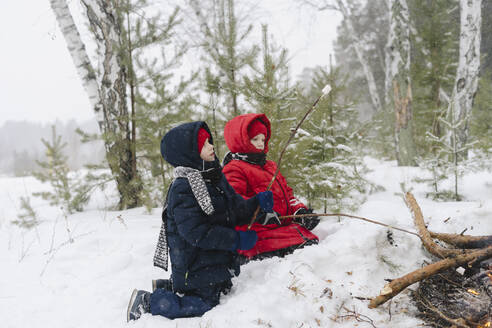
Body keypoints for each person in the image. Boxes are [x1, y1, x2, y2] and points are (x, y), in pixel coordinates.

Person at [126, 121, 274, 321]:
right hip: (195, 265)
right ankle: (147, 302)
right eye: (204, 144)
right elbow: (197, 232)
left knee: (223, 289)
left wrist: (256, 203)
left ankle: (169, 286)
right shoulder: (183, 188)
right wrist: (235, 239)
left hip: (213, 262)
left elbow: (235, 209)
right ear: (189, 153)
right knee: (204, 304)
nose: (212, 146)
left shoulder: (213, 177)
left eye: (209, 142)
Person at [222, 113, 320, 262]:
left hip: (279, 228)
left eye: (263, 138)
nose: (261, 143)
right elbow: (234, 204)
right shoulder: (234, 169)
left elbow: (287, 195)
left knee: (307, 240)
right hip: (256, 233)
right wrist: (260, 214)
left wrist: (299, 212)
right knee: (304, 245)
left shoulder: (270, 166)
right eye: (255, 139)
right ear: (241, 140)